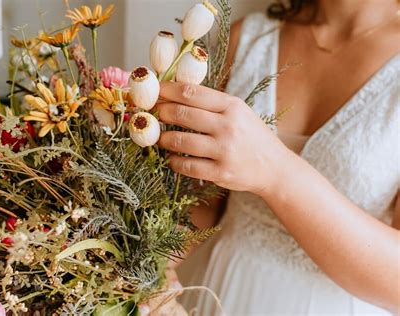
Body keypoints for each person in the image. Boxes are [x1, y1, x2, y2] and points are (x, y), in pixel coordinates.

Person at [150, 0, 399, 314]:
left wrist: (276, 172)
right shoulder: (248, 39)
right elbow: (203, 200)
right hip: (225, 292)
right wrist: (149, 262)